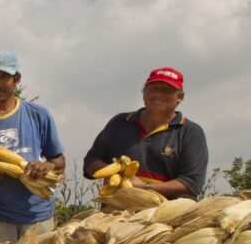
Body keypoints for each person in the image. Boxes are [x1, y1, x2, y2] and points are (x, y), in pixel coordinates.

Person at [0, 51, 66, 244]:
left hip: (38, 215)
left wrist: (47, 166)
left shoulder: (38, 114)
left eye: (4, 77)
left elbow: (59, 160)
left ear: (16, 80)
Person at [83, 67, 208, 199]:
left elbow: (191, 184)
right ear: (144, 94)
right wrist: (114, 173)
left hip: (166, 213)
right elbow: (90, 162)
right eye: (153, 89)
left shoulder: (190, 132)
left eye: (167, 90)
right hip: (116, 209)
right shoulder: (120, 122)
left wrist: (144, 188)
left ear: (179, 98)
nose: (158, 95)